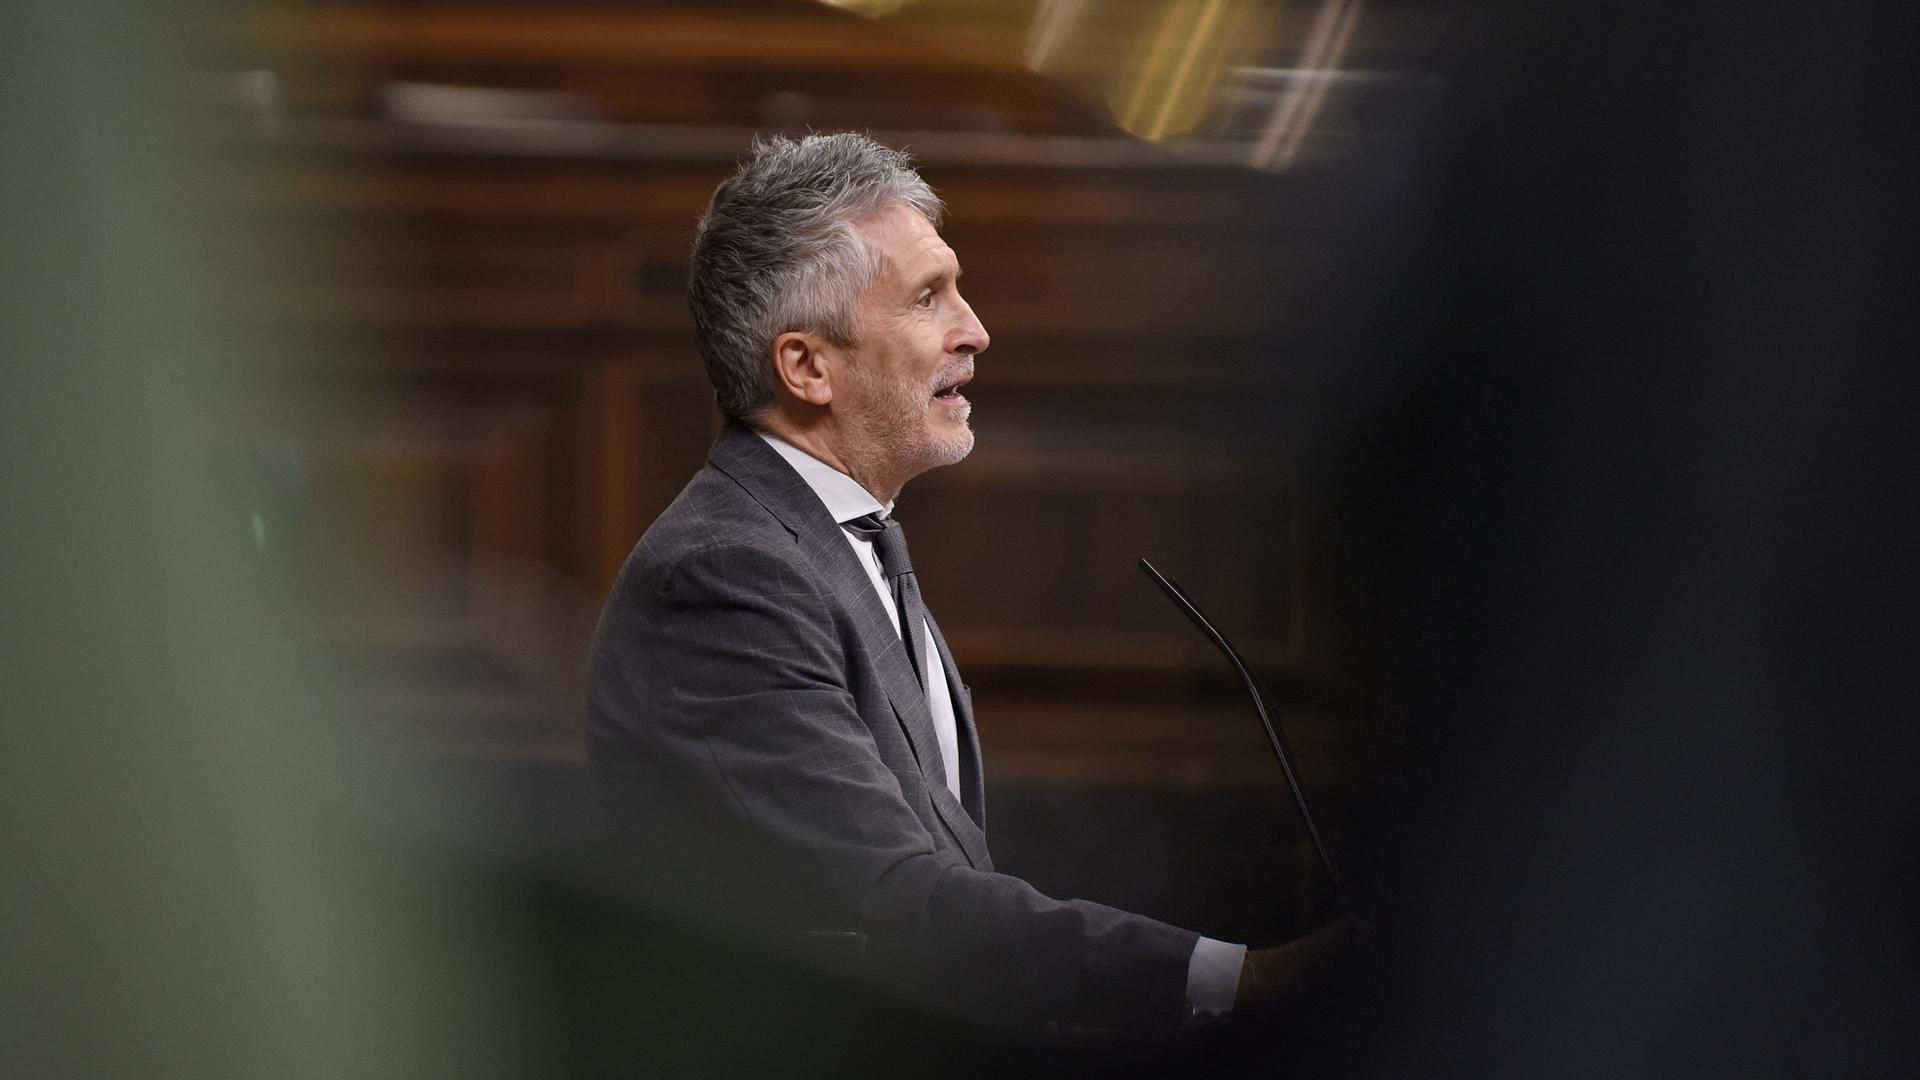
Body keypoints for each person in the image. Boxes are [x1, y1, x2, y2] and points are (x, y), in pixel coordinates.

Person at [586, 132, 1350, 1031]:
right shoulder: (727, 577)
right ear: (806, 367)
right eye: (927, 298)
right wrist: (1236, 980)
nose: (975, 329)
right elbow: (894, 906)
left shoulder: (843, 537)